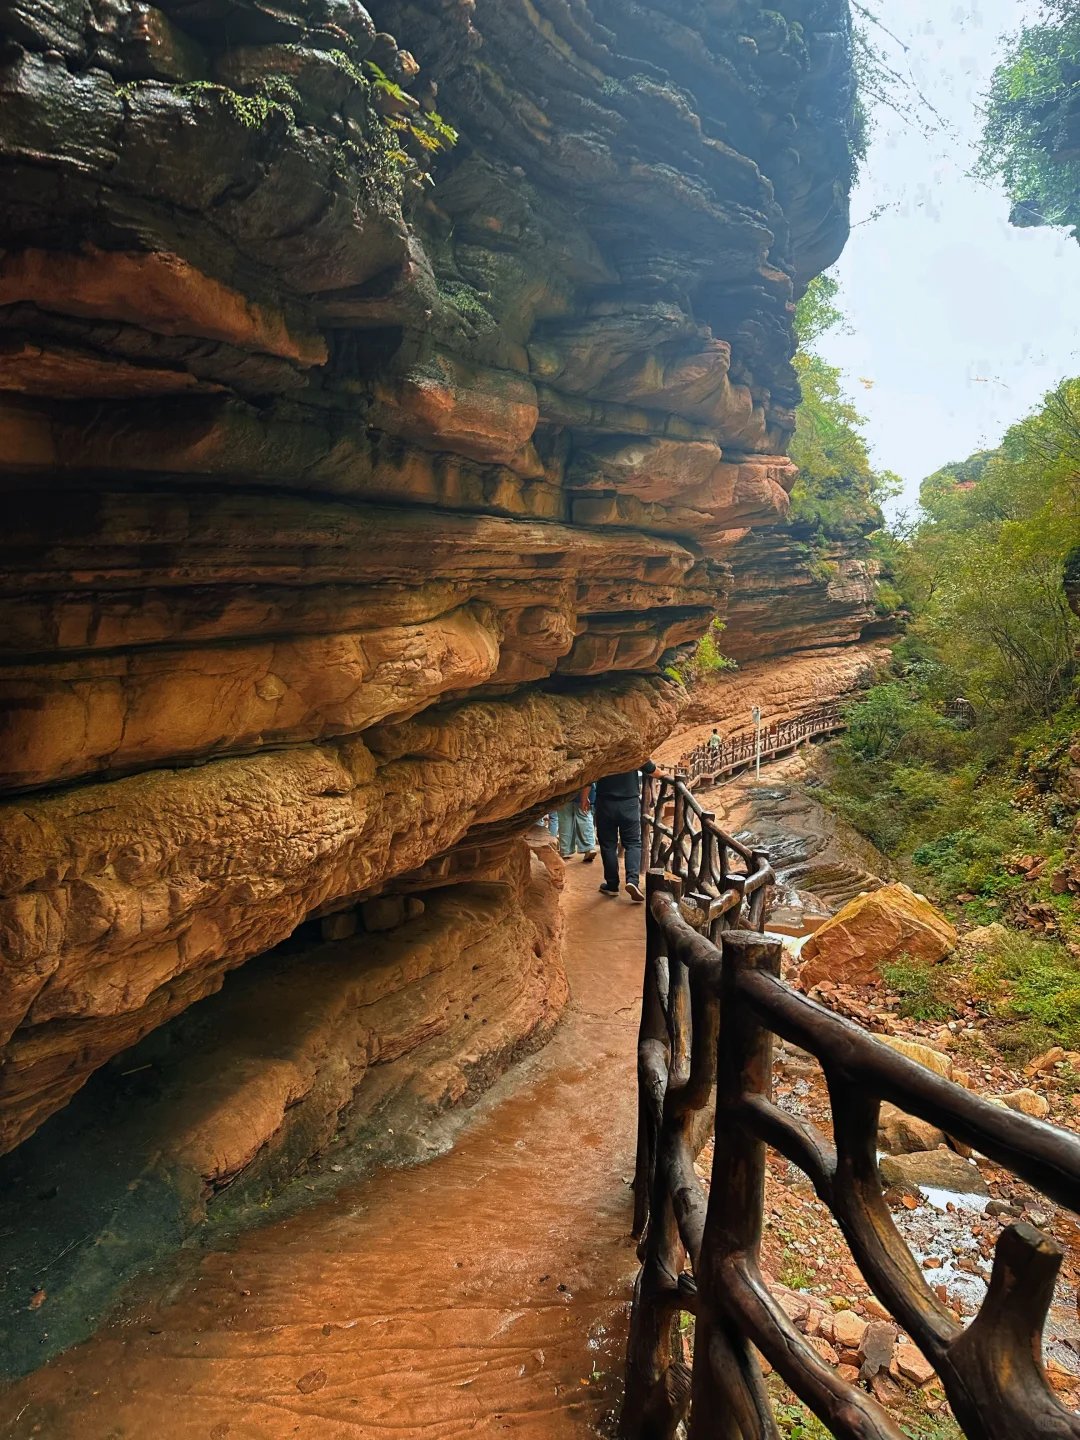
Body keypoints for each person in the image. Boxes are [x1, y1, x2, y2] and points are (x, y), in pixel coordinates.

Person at [595, 760, 655, 902]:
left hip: (605, 802)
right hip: (629, 802)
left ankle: (612, 885)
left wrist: (585, 798)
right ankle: (632, 881)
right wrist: (661, 773)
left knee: (608, 845)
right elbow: (649, 767)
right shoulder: (631, 749)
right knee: (633, 843)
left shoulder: (602, 748)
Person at [554, 785, 597, 862]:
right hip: (585, 792)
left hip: (565, 792)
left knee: (565, 819)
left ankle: (565, 850)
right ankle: (589, 847)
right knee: (584, 817)